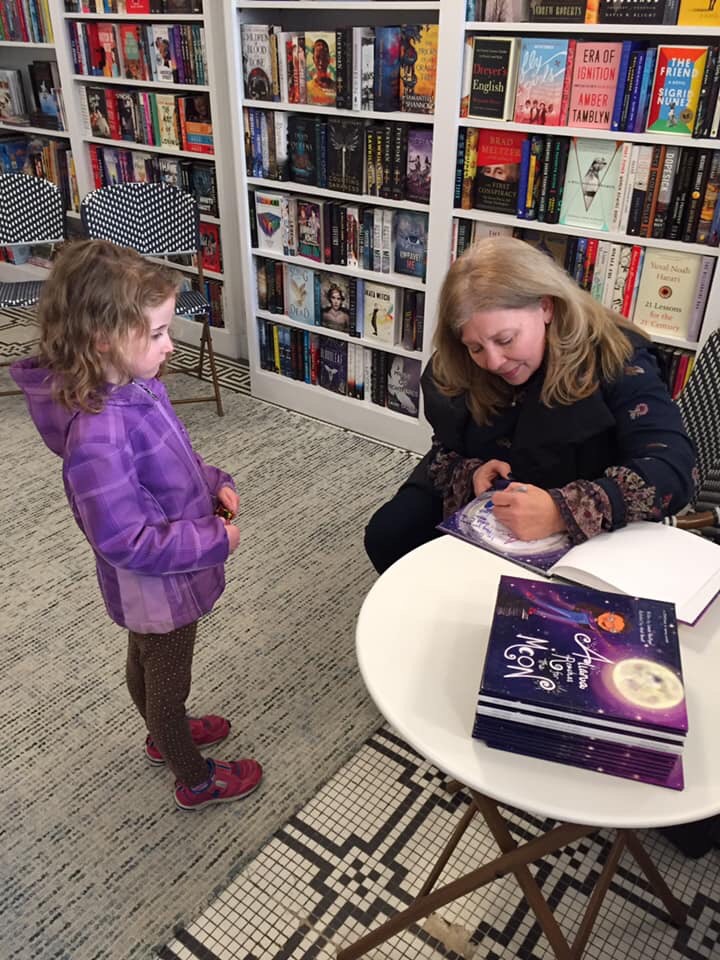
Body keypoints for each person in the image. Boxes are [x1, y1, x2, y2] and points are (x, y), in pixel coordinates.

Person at [10, 240, 263, 812]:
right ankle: (191, 775)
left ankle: (162, 732)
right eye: (155, 334)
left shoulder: (132, 384)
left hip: (165, 577)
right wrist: (213, 540)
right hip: (160, 588)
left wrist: (211, 479)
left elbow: (174, 456)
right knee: (167, 681)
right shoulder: (98, 435)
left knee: (148, 662)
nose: (169, 346)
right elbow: (124, 539)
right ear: (103, 339)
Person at [364, 235, 695, 575]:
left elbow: (671, 467)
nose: (492, 361)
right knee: (389, 536)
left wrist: (561, 509)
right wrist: (471, 471)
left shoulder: (617, 358)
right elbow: (444, 448)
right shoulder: (458, 360)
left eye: (505, 340)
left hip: (582, 497)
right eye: (476, 347)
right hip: (495, 495)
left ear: (547, 307)